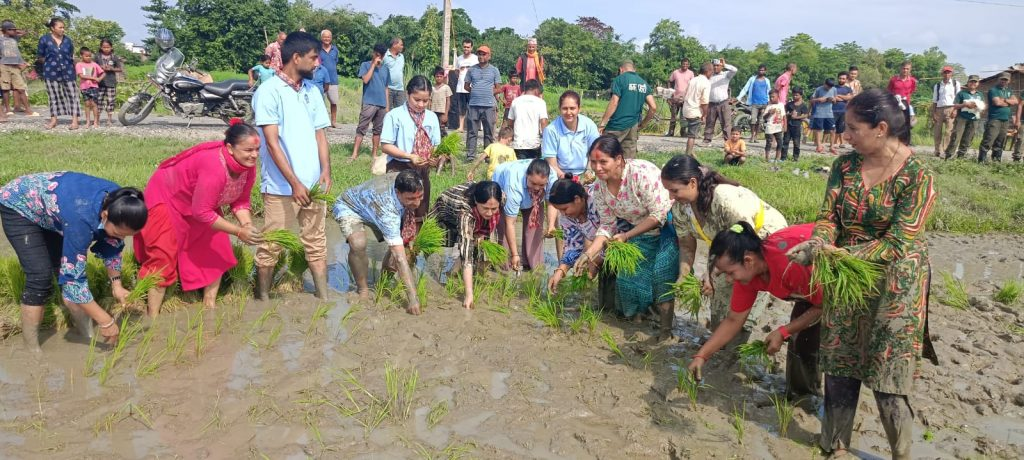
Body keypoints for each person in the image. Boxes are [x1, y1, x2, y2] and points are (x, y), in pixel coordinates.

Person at [786, 88, 938, 459]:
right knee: (839, 365)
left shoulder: (918, 176)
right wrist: (818, 244)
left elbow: (900, 242)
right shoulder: (845, 166)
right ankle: (835, 447)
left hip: (895, 286)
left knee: (889, 376)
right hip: (846, 281)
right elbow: (828, 217)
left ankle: (900, 453)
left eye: (853, 128)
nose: (846, 135)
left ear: (881, 128)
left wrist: (840, 253)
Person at [0, 172, 148, 351]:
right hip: (19, 203)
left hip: (55, 208)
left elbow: (113, 244)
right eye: (119, 233)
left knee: (61, 269)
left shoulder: (123, 204)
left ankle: (87, 336)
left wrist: (116, 285)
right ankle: (31, 349)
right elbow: (73, 283)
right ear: (105, 215)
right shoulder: (81, 220)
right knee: (40, 277)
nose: (121, 238)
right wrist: (105, 321)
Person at [133, 121, 262, 316]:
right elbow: (202, 212)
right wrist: (238, 231)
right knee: (163, 255)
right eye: (248, 150)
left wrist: (247, 224)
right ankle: (153, 317)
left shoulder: (247, 167)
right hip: (167, 195)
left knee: (217, 246)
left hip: (198, 200)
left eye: (257, 149)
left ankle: (209, 306)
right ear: (230, 148)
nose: (254, 155)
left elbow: (240, 201)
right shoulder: (214, 167)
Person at [688, 222, 823, 400]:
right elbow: (734, 320)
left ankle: (810, 401)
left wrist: (784, 331)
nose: (728, 280)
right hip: (810, 288)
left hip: (839, 281)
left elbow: (825, 304)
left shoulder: (791, 264)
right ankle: (801, 397)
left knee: (819, 342)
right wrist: (701, 356)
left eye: (730, 273)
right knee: (801, 339)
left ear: (748, 261)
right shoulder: (748, 277)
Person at [660, 154, 787, 342]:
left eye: (674, 190)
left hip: (761, 241)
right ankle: (721, 338)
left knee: (744, 292)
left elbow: (743, 239)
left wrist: (712, 270)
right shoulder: (681, 209)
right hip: (728, 246)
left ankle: (735, 349)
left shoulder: (724, 199)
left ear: (692, 183)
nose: (671, 196)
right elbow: (686, 244)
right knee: (718, 298)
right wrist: (684, 274)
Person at [252, 31, 332, 300]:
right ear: (296, 58)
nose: (317, 63)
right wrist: (294, 183)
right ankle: (262, 300)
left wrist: (325, 172)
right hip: (280, 188)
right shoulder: (268, 92)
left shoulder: (312, 90)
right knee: (271, 245)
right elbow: (272, 144)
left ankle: (323, 298)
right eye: (313, 58)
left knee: (316, 244)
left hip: (313, 187)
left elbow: (321, 134)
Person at [575, 136, 677, 338]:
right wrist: (589, 254)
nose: (597, 168)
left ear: (619, 159)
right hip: (638, 230)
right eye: (593, 162)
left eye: (603, 162)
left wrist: (627, 235)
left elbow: (658, 215)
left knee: (661, 274)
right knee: (627, 280)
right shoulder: (599, 188)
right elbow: (607, 226)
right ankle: (640, 321)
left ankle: (665, 330)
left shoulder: (640, 174)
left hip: (666, 226)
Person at [333, 170, 424, 314]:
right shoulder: (387, 210)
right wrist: (413, 299)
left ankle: (383, 283)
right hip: (351, 207)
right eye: (411, 199)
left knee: (400, 245)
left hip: (374, 205)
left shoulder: (413, 180)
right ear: (397, 192)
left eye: (420, 196)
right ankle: (362, 289)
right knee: (358, 244)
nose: (417, 203)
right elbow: (399, 258)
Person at [546, 178, 622, 312]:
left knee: (626, 286)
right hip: (603, 247)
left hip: (623, 238)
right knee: (607, 303)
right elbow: (573, 244)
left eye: (565, 209)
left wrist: (596, 260)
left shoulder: (598, 198)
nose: (564, 214)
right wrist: (560, 271)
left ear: (577, 199)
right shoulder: (567, 217)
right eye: (560, 211)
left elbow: (615, 228)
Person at [382, 75, 442, 234]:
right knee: (397, 215)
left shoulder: (432, 117)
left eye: (425, 101)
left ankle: (413, 252)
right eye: (417, 100)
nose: (421, 105)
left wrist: (435, 158)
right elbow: (386, 146)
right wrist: (410, 156)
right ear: (408, 94)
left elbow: (436, 145)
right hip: (399, 170)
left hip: (422, 172)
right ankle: (396, 250)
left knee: (419, 214)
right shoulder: (395, 116)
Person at [431, 181, 503, 309]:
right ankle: (451, 272)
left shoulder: (501, 197)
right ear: (476, 201)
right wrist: (469, 295)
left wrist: (480, 233)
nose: (490, 213)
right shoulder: (465, 212)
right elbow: (467, 258)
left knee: (488, 242)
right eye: (485, 208)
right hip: (446, 212)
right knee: (465, 247)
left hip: (473, 211)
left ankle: (462, 274)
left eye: (494, 209)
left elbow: (493, 217)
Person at [492, 158, 559, 272]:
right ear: (526, 175)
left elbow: (551, 203)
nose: (537, 188)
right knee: (503, 229)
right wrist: (515, 254)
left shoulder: (552, 177)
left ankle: (533, 264)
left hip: (530, 195)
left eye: (542, 185)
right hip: (501, 184)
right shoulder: (513, 183)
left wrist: (551, 225)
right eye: (533, 183)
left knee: (535, 226)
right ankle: (505, 265)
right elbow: (510, 223)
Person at [598, 60, 656, 158]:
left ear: (621, 70)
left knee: (604, 154)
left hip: (617, 125)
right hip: (633, 127)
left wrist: (603, 123)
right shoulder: (643, 83)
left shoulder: (619, 79)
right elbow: (653, 107)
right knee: (628, 160)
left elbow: (614, 102)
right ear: (634, 69)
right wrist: (643, 124)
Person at [543, 90, 601, 178]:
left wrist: (588, 172)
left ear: (579, 108)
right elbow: (552, 164)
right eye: (565, 108)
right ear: (559, 109)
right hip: (560, 175)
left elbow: (595, 153)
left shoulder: (589, 125)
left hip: (586, 172)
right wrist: (565, 178)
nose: (568, 112)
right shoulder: (551, 130)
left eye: (572, 108)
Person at [37, 18, 81, 130]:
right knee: (53, 97)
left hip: (68, 71)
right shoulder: (44, 39)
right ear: (52, 28)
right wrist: (48, 63)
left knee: (73, 95)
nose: (63, 29)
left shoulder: (68, 40)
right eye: (60, 27)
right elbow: (40, 56)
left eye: (63, 27)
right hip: (51, 72)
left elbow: (70, 55)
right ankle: (53, 120)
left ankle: (75, 121)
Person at [351, 43, 391, 161]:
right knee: (362, 128)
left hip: (382, 104)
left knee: (378, 130)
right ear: (373, 53)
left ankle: (374, 154)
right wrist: (373, 65)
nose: (379, 58)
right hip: (369, 102)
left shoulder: (386, 69)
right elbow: (366, 79)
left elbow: (386, 88)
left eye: (381, 56)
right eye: (377, 55)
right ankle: (354, 154)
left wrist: (387, 105)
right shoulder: (365, 65)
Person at [463, 45, 501, 162]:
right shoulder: (471, 70)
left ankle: (488, 156)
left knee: (489, 132)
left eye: (484, 54)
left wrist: (489, 94)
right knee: (472, 132)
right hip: (473, 105)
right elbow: (466, 86)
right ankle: (470, 156)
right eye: (479, 54)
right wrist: (475, 92)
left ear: (489, 56)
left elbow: (498, 88)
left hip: (489, 106)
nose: (481, 56)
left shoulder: (494, 70)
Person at [978, 72, 1019, 163]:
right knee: (989, 139)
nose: (1004, 81)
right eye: (1002, 79)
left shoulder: (1009, 91)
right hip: (994, 119)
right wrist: (1008, 102)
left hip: (1005, 120)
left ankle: (996, 161)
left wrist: (1004, 100)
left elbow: (1015, 101)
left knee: (1000, 141)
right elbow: (997, 103)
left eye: (1006, 79)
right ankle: (981, 160)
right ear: (998, 79)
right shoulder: (994, 90)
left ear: (1009, 81)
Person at [0, 20, 37, 119]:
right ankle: (7, 109)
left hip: (15, 66)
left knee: (21, 88)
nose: (14, 31)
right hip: (4, 65)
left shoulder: (15, 38)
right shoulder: (1, 39)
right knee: (5, 88)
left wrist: (16, 30)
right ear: (5, 30)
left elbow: (23, 33)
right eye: (11, 29)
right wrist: (3, 30)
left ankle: (28, 110)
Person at [506, 78, 548, 159]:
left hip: (519, 144)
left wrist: (511, 137)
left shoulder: (516, 101)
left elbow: (510, 122)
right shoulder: (540, 102)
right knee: (534, 170)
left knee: (520, 169)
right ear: (536, 90)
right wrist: (546, 140)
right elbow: (543, 122)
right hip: (534, 144)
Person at [944, 75, 983, 160]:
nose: (973, 83)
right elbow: (955, 105)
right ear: (968, 82)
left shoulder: (980, 94)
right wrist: (965, 104)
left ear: (978, 83)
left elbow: (983, 106)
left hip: (974, 119)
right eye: (971, 81)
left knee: (968, 139)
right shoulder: (962, 93)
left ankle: (960, 158)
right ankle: (949, 156)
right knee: (956, 137)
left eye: (975, 82)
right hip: (962, 118)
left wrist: (979, 106)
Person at [703, 58, 738, 146]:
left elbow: (735, 70)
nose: (715, 67)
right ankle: (707, 140)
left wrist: (725, 65)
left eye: (718, 65)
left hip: (723, 103)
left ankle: (728, 142)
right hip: (711, 103)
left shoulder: (726, 75)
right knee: (710, 123)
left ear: (721, 66)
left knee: (726, 124)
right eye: (714, 65)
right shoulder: (709, 76)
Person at [682, 62, 712, 156]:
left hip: (686, 109)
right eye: (711, 72)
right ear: (708, 71)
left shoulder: (693, 80)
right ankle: (687, 156)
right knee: (692, 136)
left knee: (692, 132)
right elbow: (705, 102)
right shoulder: (706, 83)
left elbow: (685, 94)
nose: (712, 74)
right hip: (695, 111)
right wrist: (704, 115)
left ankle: (692, 154)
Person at [930, 66, 960, 157]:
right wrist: (933, 113)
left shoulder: (955, 84)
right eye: (945, 72)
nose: (947, 74)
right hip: (939, 109)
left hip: (951, 108)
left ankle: (945, 151)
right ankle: (937, 150)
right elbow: (934, 100)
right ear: (942, 74)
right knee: (937, 132)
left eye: (949, 72)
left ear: (951, 74)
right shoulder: (938, 85)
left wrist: (955, 110)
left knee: (948, 132)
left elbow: (958, 98)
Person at [737, 64, 771, 142]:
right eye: (760, 70)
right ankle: (752, 135)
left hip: (764, 103)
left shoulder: (767, 80)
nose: (761, 71)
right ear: (758, 70)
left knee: (760, 121)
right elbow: (745, 88)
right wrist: (738, 98)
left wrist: (769, 102)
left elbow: (769, 91)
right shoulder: (752, 79)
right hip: (754, 103)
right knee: (753, 120)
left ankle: (755, 136)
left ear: (765, 71)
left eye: (763, 70)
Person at [75, 47, 104, 129]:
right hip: (84, 87)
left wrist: (99, 79)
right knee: (87, 104)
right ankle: (87, 121)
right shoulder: (79, 64)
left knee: (94, 104)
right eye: (86, 56)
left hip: (94, 86)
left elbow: (103, 73)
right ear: (81, 56)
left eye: (90, 56)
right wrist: (94, 78)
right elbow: (81, 76)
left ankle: (95, 122)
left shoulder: (94, 64)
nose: (89, 58)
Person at [95, 39, 122, 126]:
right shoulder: (97, 56)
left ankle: (109, 120)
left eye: (108, 47)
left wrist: (111, 69)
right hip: (100, 82)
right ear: (101, 47)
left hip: (111, 82)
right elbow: (92, 67)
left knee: (110, 101)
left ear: (111, 47)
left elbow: (119, 69)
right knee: (99, 101)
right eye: (104, 47)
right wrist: (100, 67)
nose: (106, 49)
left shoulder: (114, 57)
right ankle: (97, 120)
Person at [666, 58, 694, 137]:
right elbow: (669, 81)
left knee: (684, 116)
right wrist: (670, 91)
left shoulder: (691, 73)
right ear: (681, 64)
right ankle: (671, 132)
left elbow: (693, 84)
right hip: (675, 97)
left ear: (688, 65)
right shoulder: (675, 72)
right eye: (683, 64)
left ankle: (683, 132)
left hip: (686, 98)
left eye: (686, 64)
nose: (685, 66)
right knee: (673, 115)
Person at [454, 39, 478, 132]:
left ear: (471, 47)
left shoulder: (475, 58)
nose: (466, 48)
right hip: (460, 86)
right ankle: (461, 127)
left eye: (468, 47)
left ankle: (473, 126)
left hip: (472, 87)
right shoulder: (459, 58)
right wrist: (461, 71)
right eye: (464, 47)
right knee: (462, 108)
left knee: (473, 107)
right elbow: (456, 70)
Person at [318, 29, 340, 127]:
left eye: (329, 37)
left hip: (333, 79)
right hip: (320, 79)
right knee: (320, 101)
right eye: (325, 37)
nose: (327, 39)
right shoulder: (317, 49)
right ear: (321, 38)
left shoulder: (335, 49)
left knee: (334, 102)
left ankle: (333, 121)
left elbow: (336, 62)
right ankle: (321, 122)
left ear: (331, 38)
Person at [810, 78, 837, 154]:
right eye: (828, 86)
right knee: (818, 130)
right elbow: (811, 100)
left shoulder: (834, 89)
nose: (829, 88)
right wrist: (819, 99)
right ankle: (819, 146)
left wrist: (833, 100)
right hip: (819, 113)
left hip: (829, 113)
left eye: (830, 87)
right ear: (824, 83)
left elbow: (835, 100)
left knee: (832, 130)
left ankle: (832, 147)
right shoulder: (818, 89)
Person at [887, 61, 917, 129]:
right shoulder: (894, 80)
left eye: (907, 69)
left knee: (911, 123)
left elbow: (912, 90)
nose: (905, 70)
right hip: (895, 105)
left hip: (907, 104)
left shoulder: (912, 80)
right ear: (900, 68)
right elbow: (889, 91)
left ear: (910, 70)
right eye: (904, 68)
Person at [782, 88, 809, 161]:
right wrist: (790, 114)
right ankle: (783, 157)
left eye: (796, 95)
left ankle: (795, 158)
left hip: (797, 126)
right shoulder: (789, 104)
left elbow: (806, 115)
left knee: (796, 143)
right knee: (785, 141)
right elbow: (784, 113)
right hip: (788, 125)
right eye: (793, 95)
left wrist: (797, 117)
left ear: (801, 95)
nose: (794, 97)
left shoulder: (803, 105)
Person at [832, 71, 854, 151]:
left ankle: (842, 143)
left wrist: (839, 96)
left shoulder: (848, 89)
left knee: (841, 127)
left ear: (846, 79)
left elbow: (850, 98)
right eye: (840, 78)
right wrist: (844, 98)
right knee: (833, 127)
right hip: (833, 110)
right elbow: (833, 97)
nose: (841, 80)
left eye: (843, 78)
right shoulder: (834, 88)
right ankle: (833, 143)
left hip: (844, 110)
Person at [383, 37, 406, 110]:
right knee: (387, 111)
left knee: (400, 111)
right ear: (394, 45)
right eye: (401, 45)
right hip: (388, 88)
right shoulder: (384, 56)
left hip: (400, 89)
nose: (402, 47)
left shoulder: (401, 56)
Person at [763, 89, 786, 162]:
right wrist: (769, 113)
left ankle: (777, 158)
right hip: (770, 126)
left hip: (778, 127)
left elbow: (784, 116)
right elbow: (764, 117)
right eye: (770, 97)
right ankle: (767, 158)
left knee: (780, 142)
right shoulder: (769, 106)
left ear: (778, 96)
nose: (771, 98)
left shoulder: (781, 105)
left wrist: (785, 125)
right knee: (769, 142)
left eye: (773, 97)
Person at [430, 66, 452, 137]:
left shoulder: (446, 87)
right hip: (433, 111)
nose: (439, 78)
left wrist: (446, 114)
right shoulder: (432, 88)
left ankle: (444, 143)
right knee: (434, 128)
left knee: (442, 129)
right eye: (437, 76)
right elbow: (429, 100)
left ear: (443, 77)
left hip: (442, 111)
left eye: (440, 76)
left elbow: (448, 101)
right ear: (434, 77)